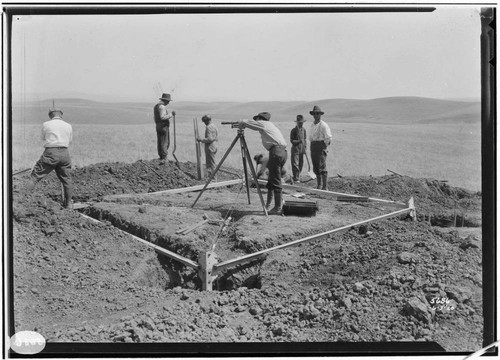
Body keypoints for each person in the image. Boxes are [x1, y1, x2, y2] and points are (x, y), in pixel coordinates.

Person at [238, 112, 287, 214]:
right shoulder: (270, 125)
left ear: (261, 119)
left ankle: (278, 207)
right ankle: (269, 205)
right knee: (272, 179)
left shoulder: (264, 124)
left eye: (257, 120)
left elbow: (248, 123)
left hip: (276, 152)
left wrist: (242, 123)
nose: (257, 121)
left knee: (276, 181)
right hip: (281, 152)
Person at [25, 108, 74, 209]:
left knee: (35, 177)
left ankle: (22, 201)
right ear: (61, 115)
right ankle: (69, 204)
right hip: (65, 153)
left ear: (50, 115)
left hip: (51, 152)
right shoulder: (68, 126)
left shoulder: (46, 124)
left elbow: (42, 138)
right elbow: (70, 140)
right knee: (67, 180)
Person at [309, 105, 332, 190]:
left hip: (321, 146)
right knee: (316, 166)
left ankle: (325, 187)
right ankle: (319, 185)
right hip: (313, 146)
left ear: (320, 114)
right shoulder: (312, 125)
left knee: (322, 165)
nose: (315, 115)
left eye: (317, 113)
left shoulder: (324, 125)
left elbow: (328, 138)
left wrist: (323, 147)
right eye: (314, 113)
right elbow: (310, 137)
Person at [153, 93, 176, 163]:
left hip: (158, 125)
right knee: (165, 142)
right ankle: (164, 157)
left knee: (160, 141)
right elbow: (162, 117)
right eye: (168, 101)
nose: (168, 103)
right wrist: (171, 115)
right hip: (163, 126)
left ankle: (161, 156)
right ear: (165, 100)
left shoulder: (156, 106)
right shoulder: (162, 107)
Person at [196, 115, 218, 179]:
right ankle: (211, 177)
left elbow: (210, 139)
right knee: (212, 163)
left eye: (205, 121)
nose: (204, 123)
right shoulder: (214, 126)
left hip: (210, 147)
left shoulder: (208, 127)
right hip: (214, 145)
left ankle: (213, 178)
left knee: (210, 164)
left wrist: (201, 140)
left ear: (207, 121)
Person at [290, 114, 307, 183]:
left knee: (301, 163)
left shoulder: (304, 130)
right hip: (295, 149)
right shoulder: (293, 130)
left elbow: (305, 140)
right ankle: (296, 178)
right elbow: (292, 141)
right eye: (300, 123)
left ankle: (298, 176)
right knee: (295, 163)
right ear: (297, 122)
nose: (301, 124)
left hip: (301, 149)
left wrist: (305, 148)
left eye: (302, 123)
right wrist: (299, 141)